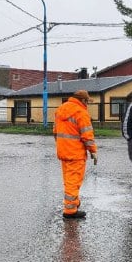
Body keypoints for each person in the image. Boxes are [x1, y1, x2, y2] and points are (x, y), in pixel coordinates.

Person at [53, 90, 98, 219]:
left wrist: (62, 146)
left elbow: (55, 132)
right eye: (87, 102)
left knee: (68, 180)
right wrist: (93, 151)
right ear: (83, 100)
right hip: (76, 153)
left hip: (63, 151)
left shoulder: (60, 109)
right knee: (74, 181)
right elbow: (87, 135)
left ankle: (74, 202)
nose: (87, 105)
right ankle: (70, 210)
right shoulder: (81, 112)